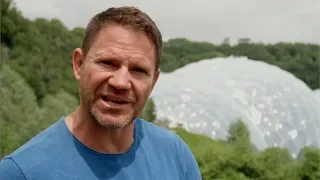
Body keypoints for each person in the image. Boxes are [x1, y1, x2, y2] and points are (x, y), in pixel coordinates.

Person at [0, 6, 202, 180]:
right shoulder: (22, 172)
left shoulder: (176, 158)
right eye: (107, 63)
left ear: (154, 82)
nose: (121, 82)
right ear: (79, 64)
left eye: (138, 70)